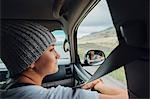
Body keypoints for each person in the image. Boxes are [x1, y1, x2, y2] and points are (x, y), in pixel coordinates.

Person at [0, 20, 128, 99]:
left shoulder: (7, 89)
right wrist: (98, 85)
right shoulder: (51, 96)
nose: (58, 55)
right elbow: (130, 97)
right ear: (30, 60)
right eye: (51, 50)